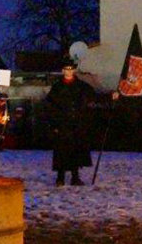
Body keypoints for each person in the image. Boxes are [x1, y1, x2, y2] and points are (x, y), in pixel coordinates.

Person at [45, 58, 119, 186]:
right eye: (66, 69)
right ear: (63, 71)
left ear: (73, 70)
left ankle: (75, 177)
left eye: (70, 69)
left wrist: (110, 96)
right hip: (62, 124)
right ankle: (60, 177)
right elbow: (50, 107)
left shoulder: (81, 86)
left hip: (77, 124)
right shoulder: (57, 87)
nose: (68, 71)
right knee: (61, 151)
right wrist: (53, 125)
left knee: (75, 151)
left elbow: (95, 96)